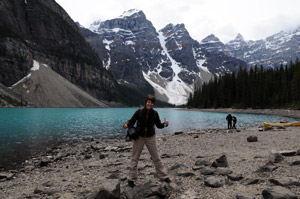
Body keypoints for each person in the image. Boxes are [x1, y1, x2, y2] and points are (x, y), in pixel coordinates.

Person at [123, 94, 171, 188]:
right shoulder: (139, 111)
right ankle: (131, 179)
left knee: (156, 157)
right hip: (139, 137)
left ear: (153, 104)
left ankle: (163, 176)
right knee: (135, 158)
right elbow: (132, 121)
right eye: (149, 102)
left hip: (150, 137)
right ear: (146, 102)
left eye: (152, 103)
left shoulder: (155, 113)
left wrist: (165, 124)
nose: (150, 104)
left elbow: (158, 125)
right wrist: (126, 124)